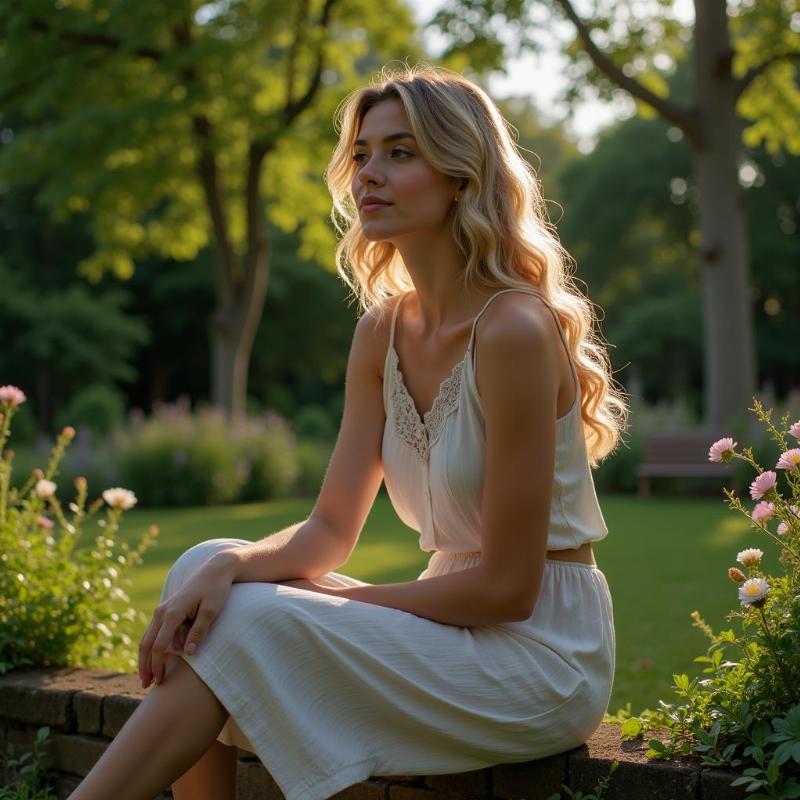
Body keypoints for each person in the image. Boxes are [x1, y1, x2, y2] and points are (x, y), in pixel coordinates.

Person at [68, 63, 629, 800]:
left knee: (250, 619)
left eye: (401, 153)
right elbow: (330, 528)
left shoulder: (515, 329)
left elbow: (506, 590)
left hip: (539, 654)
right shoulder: (381, 333)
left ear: (461, 177)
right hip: (447, 624)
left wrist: (305, 607)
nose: (370, 173)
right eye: (362, 154)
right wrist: (233, 562)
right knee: (198, 567)